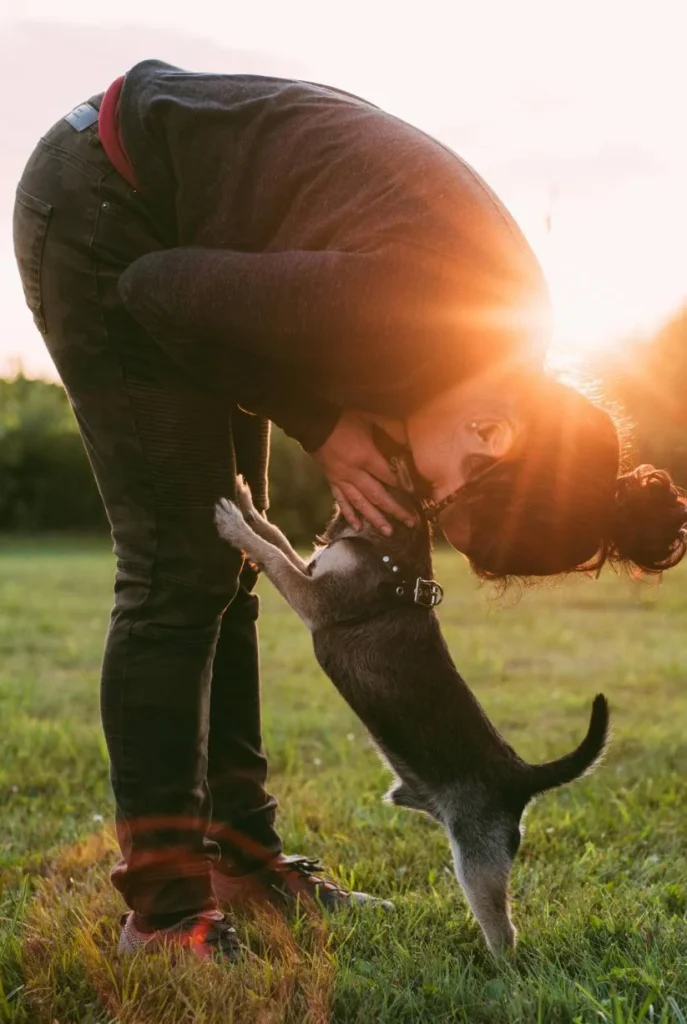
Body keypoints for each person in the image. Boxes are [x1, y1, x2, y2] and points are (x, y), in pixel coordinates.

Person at [13, 60, 687, 963]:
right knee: (180, 565)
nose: (419, 498)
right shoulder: (416, 311)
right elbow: (154, 290)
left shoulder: (494, 340)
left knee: (229, 568)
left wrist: (328, 415)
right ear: (494, 434)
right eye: (442, 495)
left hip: (178, 225)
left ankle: (243, 863)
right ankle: (166, 917)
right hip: (107, 201)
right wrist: (321, 422)